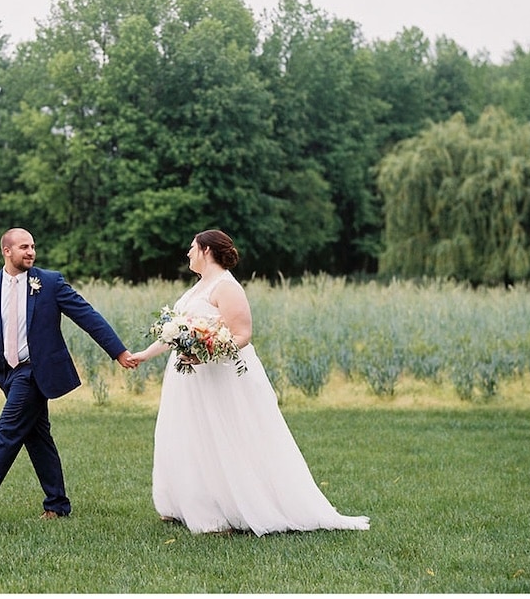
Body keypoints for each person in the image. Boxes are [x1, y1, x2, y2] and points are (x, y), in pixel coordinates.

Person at [129, 229, 370, 536]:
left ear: (206, 250)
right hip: (189, 380)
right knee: (187, 438)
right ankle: (188, 504)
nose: (187, 253)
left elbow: (242, 334)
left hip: (221, 376)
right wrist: (144, 355)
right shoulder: (197, 288)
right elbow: (174, 333)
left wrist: (205, 355)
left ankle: (231, 509)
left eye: (192, 248)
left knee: (225, 437)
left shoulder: (227, 286)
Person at [0, 227, 137, 522]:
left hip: (35, 371)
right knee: (37, 437)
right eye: (24, 247)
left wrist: (118, 351)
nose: (31, 252)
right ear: (7, 251)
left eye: (33, 246)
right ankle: (57, 504)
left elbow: (86, 315)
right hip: (9, 373)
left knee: (7, 433)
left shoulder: (50, 282)